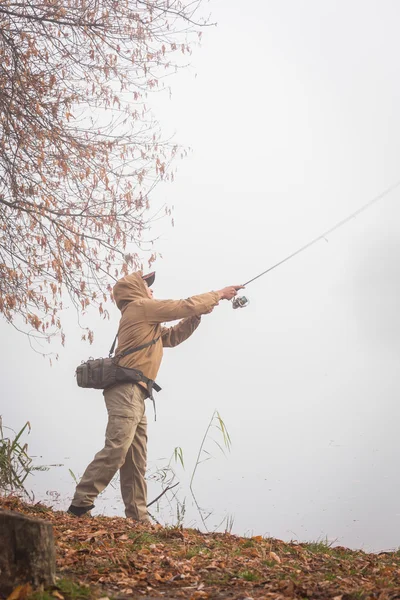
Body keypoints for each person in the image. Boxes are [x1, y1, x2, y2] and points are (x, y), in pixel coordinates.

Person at [67, 271, 243, 520]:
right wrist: (218, 294)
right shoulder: (140, 307)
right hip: (126, 392)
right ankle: (79, 505)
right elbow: (183, 305)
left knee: (135, 461)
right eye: (147, 287)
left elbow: (171, 338)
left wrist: (196, 317)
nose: (152, 291)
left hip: (136, 394)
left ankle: (138, 518)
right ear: (135, 290)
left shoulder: (143, 316)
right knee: (117, 449)